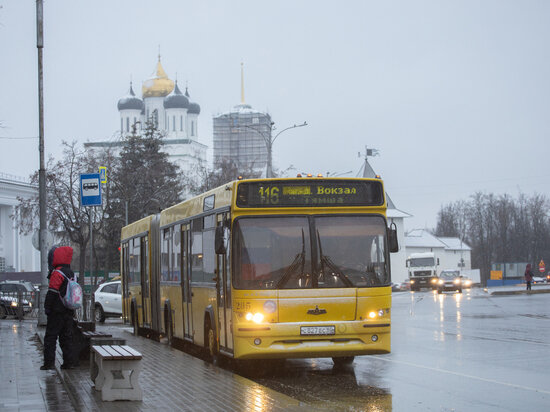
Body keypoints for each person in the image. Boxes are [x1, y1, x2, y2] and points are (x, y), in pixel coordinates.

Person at [40, 245, 77, 370]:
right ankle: (69, 362)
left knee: (50, 337)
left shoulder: (57, 273)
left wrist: (47, 307)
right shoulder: (71, 273)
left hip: (57, 311)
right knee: (66, 337)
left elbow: (52, 292)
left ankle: (49, 363)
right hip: (69, 310)